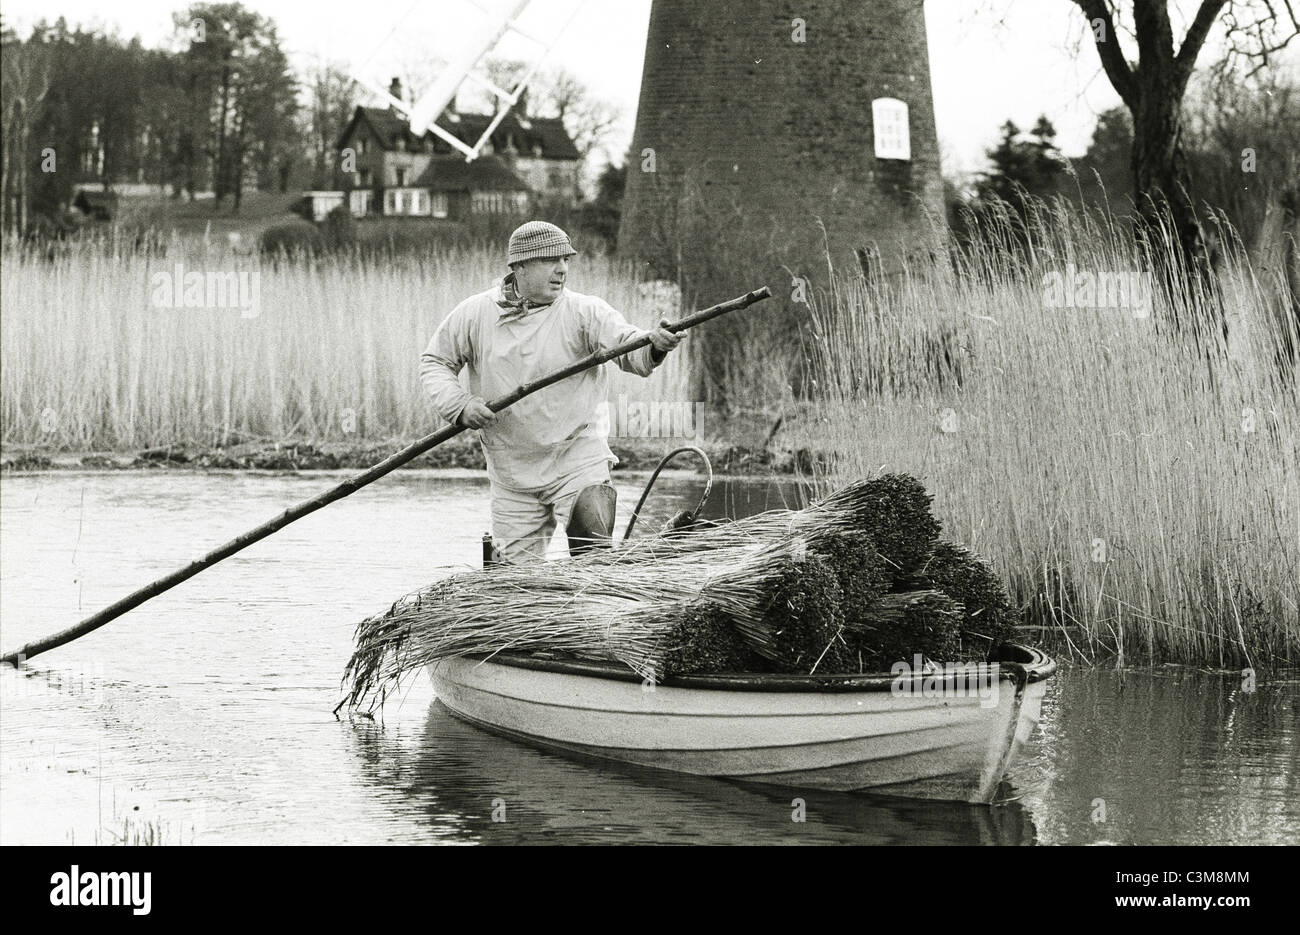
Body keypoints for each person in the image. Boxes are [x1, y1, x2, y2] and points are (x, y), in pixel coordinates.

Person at [419, 220, 684, 563]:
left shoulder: (584, 311)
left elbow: (630, 347)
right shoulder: (475, 314)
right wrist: (460, 405)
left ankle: (594, 602)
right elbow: (435, 362)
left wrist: (655, 344)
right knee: (513, 586)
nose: (562, 270)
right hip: (511, 470)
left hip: (576, 455)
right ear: (519, 267)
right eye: (550, 260)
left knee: (593, 551)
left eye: (566, 260)